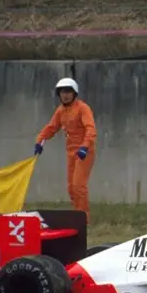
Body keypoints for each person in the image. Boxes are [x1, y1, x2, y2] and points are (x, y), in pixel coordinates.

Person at [34, 77, 97, 223]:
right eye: (62, 92)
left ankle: (84, 219)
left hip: (84, 152)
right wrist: (40, 141)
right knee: (71, 188)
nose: (65, 95)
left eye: (68, 91)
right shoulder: (61, 111)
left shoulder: (83, 108)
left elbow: (91, 129)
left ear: (74, 93)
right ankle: (77, 215)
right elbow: (51, 127)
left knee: (78, 186)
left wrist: (85, 146)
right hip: (71, 152)